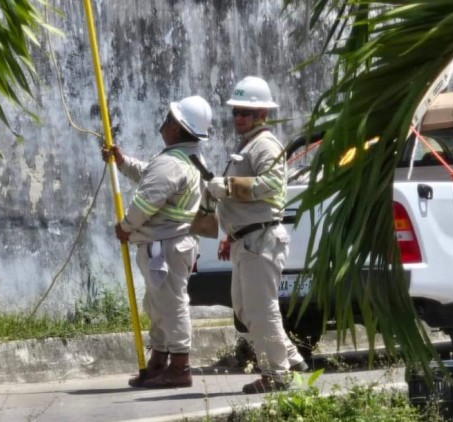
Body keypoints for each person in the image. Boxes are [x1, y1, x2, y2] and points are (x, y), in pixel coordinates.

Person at [101, 96, 212, 388]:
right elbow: (150, 176)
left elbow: (146, 202)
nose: (163, 123)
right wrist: (123, 163)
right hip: (173, 244)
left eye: (168, 119)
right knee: (157, 305)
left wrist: (125, 227)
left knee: (171, 305)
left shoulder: (170, 164)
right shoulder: (187, 159)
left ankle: (179, 367)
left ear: (177, 128)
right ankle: (160, 360)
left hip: (165, 246)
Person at [206, 76, 306, 394]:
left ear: (262, 113)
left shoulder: (265, 145)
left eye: (246, 112)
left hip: (261, 239)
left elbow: (271, 187)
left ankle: (278, 375)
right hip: (246, 239)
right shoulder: (249, 144)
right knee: (246, 310)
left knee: (261, 310)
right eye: (236, 111)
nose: (239, 117)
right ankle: (290, 358)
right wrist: (230, 234)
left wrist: (228, 187)